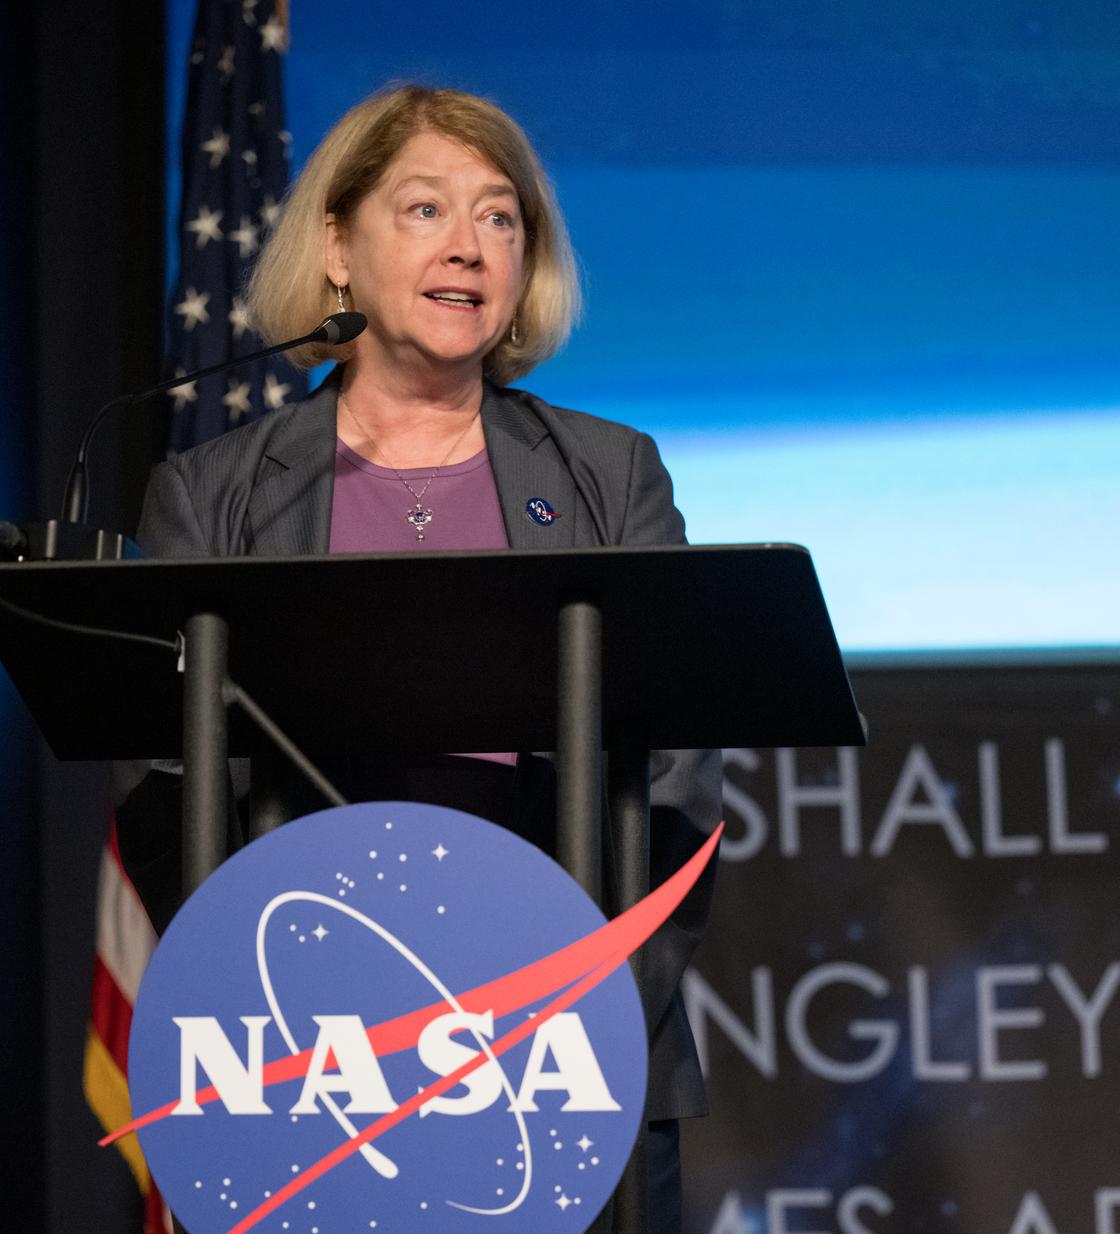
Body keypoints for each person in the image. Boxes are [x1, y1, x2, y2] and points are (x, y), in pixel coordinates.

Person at [117, 84, 720, 1234]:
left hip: (557, 1060)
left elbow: (679, 778)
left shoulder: (610, 477)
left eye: (500, 218)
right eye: (426, 208)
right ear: (336, 246)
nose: (469, 246)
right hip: (298, 1063)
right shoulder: (213, 492)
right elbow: (167, 789)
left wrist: (583, 1010)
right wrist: (267, 1013)